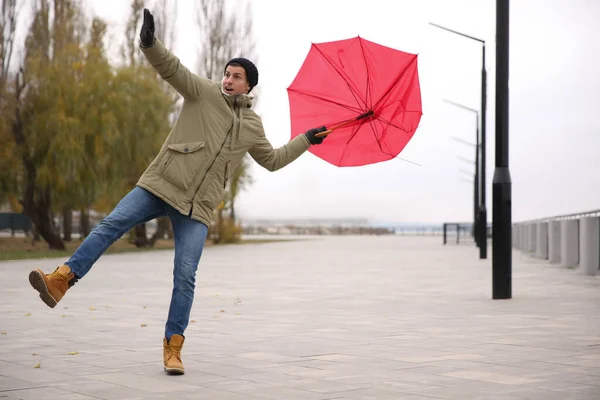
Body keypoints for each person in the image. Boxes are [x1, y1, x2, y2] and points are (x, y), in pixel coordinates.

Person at [27, 8, 327, 376]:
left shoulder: (252, 125)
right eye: (227, 74)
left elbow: (273, 160)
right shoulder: (203, 93)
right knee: (111, 224)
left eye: (237, 76)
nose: (228, 80)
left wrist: (306, 140)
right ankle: (62, 279)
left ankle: (173, 348)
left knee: (185, 275)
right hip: (161, 184)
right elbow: (171, 68)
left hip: (198, 209)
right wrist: (149, 43)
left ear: (250, 86)